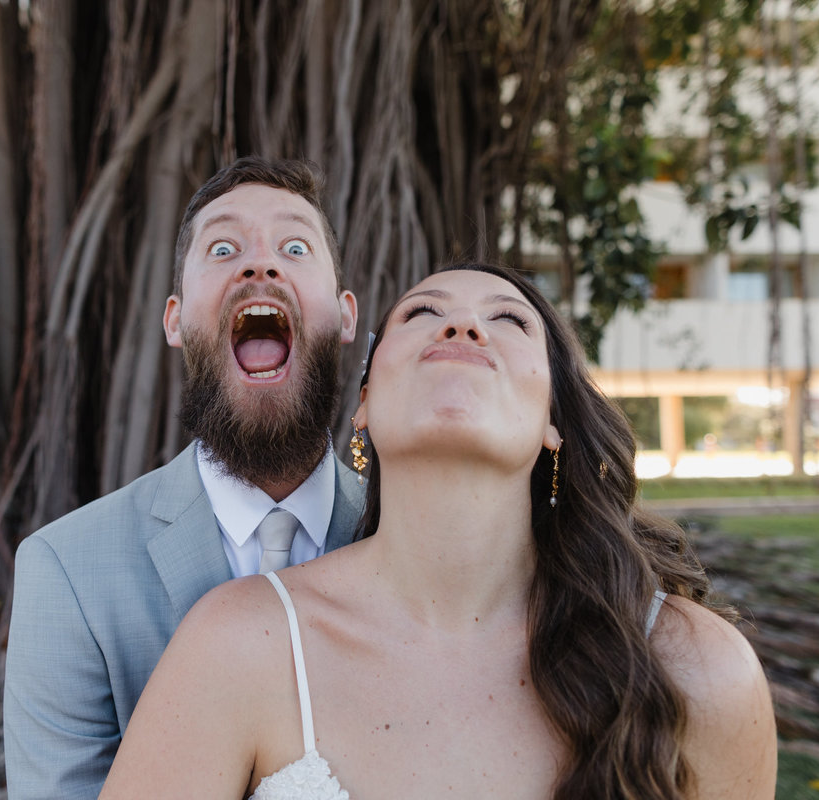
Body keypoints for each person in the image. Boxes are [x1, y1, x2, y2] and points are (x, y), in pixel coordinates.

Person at [99, 263, 777, 799]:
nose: (463, 330)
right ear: (362, 405)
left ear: (554, 421)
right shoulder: (241, 643)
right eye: (424, 314)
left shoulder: (694, 669)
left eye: (508, 320)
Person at [3, 157, 364, 799]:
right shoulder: (65, 570)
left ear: (344, 317)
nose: (260, 265)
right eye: (223, 248)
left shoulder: (401, 534)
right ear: (174, 320)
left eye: (295, 246)